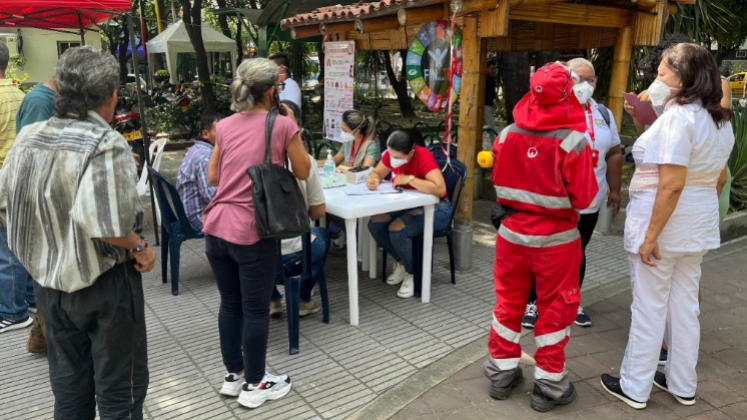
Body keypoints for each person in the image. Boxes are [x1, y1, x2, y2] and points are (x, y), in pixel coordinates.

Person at [0, 46, 155, 419]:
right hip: (105, 287)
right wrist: (141, 247)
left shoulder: (30, 136)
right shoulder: (105, 142)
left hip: (49, 289)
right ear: (111, 94)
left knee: (69, 388)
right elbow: (110, 226)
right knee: (121, 390)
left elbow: (7, 205)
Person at [600, 43, 734, 410]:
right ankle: (682, 383)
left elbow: (672, 183)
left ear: (685, 77)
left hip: (665, 220)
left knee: (649, 306)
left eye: (662, 72)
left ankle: (635, 386)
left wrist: (651, 236)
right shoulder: (718, 119)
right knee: (684, 306)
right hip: (698, 220)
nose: (655, 79)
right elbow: (717, 179)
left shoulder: (680, 117)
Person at [485, 62, 598, 413]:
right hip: (556, 242)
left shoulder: (506, 134)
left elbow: (500, 185)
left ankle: (501, 374)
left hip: (511, 237)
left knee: (508, 304)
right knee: (555, 310)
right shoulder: (573, 142)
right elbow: (586, 198)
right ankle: (549, 385)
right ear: (567, 94)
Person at [202, 57, 310, 409]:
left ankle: (234, 375)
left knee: (230, 304)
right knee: (256, 310)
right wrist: (292, 126)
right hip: (252, 229)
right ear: (270, 90)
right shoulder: (280, 125)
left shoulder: (227, 125)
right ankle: (256, 383)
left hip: (217, 225)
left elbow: (214, 177)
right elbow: (304, 170)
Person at [520, 58, 623, 330]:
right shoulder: (548, 110)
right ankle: (533, 301)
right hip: (553, 201)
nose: (585, 85)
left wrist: (615, 189)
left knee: (576, 252)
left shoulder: (603, 113)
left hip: (589, 201)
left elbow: (613, 152)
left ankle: (571, 301)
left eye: (590, 80)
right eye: (578, 79)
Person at [366, 130, 450, 299]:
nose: (392, 159)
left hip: (436, 208)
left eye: (397, 157)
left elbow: (440, 189)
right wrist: (373, 180)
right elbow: (377, 172)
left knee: (397, 229)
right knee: (375, 222)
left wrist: (409, 179)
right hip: (407, 204)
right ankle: (402, 262)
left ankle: (413, 273)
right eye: (390, 154)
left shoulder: (422, 156)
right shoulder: (391, 155)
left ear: (410, 152)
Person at [270, 99, 330, 318]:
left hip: (256, 258)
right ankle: (303, 299)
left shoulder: (249, 163)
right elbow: (318, 212)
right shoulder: (306, 163)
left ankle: (273, 300)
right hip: (294, 256)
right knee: (321, 234)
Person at [14, 76, 57, 353]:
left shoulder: (46, 100)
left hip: (45, 199)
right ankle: (49, 339)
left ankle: (42, 337)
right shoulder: (41, 102)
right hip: (40, 201)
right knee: (47, 274)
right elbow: (34, 159)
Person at [0, 39, 30, 334]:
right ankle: (30, 299)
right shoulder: (21, 95)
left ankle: (13, 311)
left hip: (3, 180)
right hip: (23, 179)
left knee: (6, 249)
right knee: (23, 242)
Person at [176, 111, 223, 231]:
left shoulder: (197, 148)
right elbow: (210, 195)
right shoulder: (205, 157)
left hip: (190, 212)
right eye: (220, 132)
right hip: (198, 217)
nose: (224, 135)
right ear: (206, 134)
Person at [484, 60, 498, 133]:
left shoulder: (492, 79)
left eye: (495, 69)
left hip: (489, 104)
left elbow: (493, 91)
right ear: (486, 68)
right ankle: (494, 143)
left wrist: (498, 101)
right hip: (484, 104)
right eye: (492, 68)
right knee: (491, 125)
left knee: (488, 125)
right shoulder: (483, 78)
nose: (494, 71)